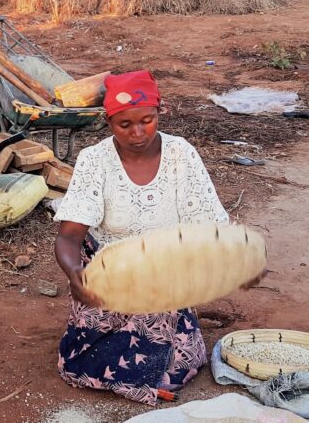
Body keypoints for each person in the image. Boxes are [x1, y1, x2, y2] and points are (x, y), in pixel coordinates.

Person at [53, 70, 259, 405]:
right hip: (110, 275)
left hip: (166, 273)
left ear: (159, 111)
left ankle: (147, 371)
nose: (137, 133)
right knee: (78, 359)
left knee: (179, 360)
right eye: (125, 125)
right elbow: (69, 238)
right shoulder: (95, 161)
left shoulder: (181, 155)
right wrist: (76, 275)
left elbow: (211, 230)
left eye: (147, 121)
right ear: (109, 122)